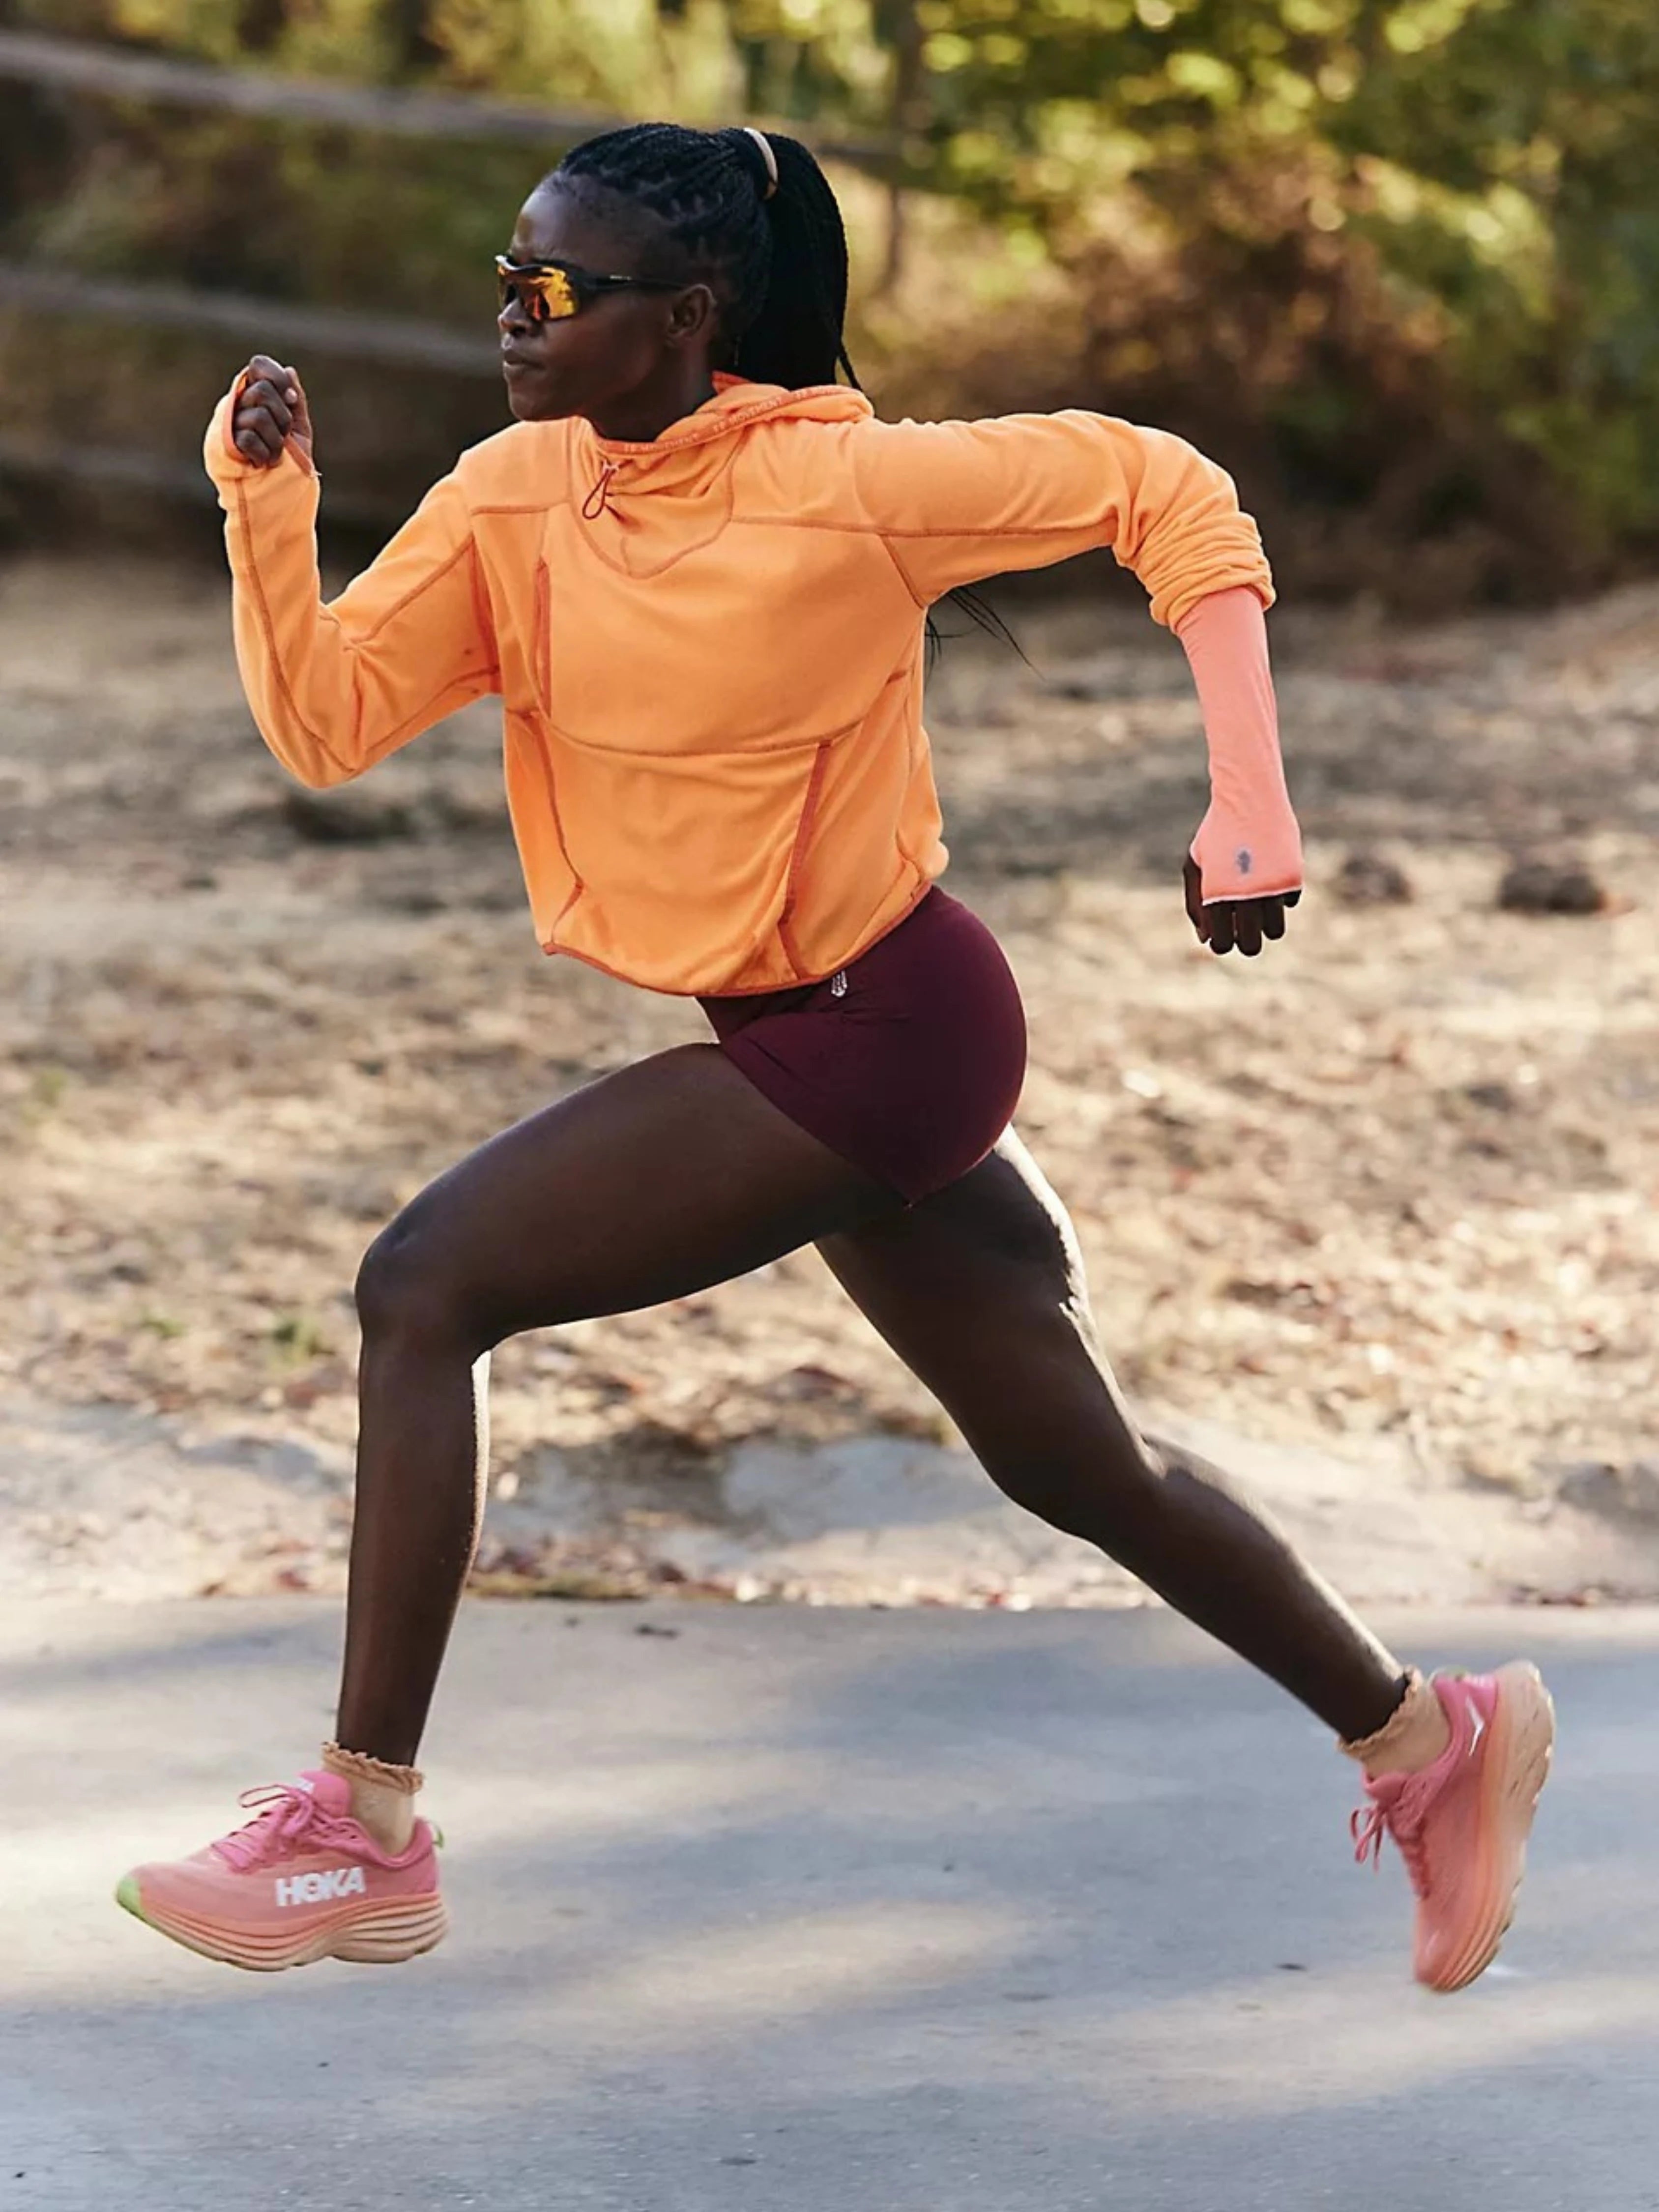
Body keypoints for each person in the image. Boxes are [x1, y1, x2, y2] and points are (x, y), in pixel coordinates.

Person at [115, 122, 1552, 1990]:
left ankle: (360, 1825)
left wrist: (1251, 800)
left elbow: (1169, 491)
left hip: (894, 1030)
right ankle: (1422, 1737)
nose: (515, 319)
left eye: (557, 290)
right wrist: (269, 507)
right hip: (802, 1027)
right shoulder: (513, 498)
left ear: (687, 315)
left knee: (425, 1284)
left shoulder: (853, 486)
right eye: (505, 282)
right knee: (1077, 1460)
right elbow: (326, 718)